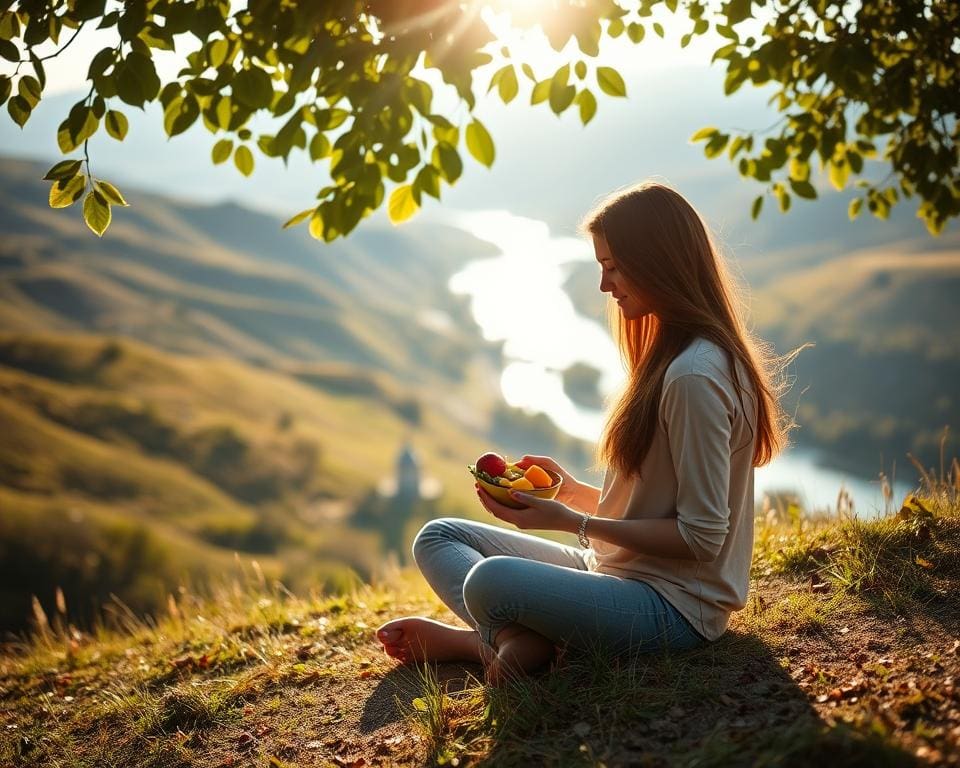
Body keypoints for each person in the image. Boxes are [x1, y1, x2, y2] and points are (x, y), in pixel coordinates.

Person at [375, 180, 798, 686]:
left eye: (613, 267)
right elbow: (657, 509)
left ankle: (484, 642)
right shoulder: (672, 358)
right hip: (617, 573)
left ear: (658, 262)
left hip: (674, 607)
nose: (604, 285)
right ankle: (521, 640)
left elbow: (701, 537)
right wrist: (572, 493)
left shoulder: (693, 377)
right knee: (440, 536)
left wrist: (572, 521)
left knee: (489, 582)